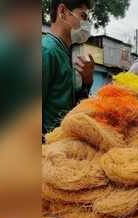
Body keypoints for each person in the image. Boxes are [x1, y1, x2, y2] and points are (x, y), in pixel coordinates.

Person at [42, 0, 95, 135]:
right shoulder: (47, 51)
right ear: (63, 12)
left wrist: (87, 81)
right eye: (83, 16)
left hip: (62, 143)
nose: (87, 25)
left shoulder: (67, 54)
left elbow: (71, 105)